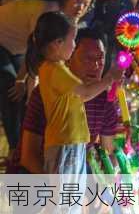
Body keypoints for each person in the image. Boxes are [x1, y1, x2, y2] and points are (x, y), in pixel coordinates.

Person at [0, 0, 95, 154]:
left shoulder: (65, 19)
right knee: (12, 92)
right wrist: (21, 80)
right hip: (5, 41)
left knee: (22, 92)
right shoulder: (49, 13)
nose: (81, 7)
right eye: (78, 1)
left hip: (15, 47)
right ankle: (16, 150)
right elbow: (35, 50)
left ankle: (22, 145)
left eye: (86, 4)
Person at [9, 27, 118, 174]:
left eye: (100, 58)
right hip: (35, 173)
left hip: (69, 169)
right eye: (88, 58)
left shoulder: (104, 99)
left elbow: (108, 152)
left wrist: (113, 164)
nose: (96, 65)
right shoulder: (45, 93)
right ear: (68, 59)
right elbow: (29, 157)